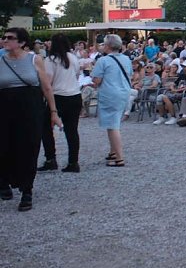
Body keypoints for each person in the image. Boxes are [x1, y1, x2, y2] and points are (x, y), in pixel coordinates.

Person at [0, 28, 62, 211]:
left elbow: (46, 88)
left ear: (21, 43)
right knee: (4, 147)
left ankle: (27, 190)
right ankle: (4, 181)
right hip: (4, 108)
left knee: (29, 147)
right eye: (4, 37)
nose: (5, 40)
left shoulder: (34, 59)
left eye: (10, 38)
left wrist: (53, 111)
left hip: (30, 109)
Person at [39, 34, 83, 173]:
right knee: (72, 130)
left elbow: (48, 82)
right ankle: (73, 161)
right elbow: (77, 75)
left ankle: (50, 158)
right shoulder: (73, 58)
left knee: (46, 128)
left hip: (58, 96)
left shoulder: (51, 60)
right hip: (74, 95)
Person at [91, 34, 133, 168]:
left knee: (112, 126)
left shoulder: (103, 61)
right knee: (115, 122)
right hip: (124, 92)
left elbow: (97, 80)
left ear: (107, 46)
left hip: (110, 94)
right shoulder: (126, 59)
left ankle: (119, 157)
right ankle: (113, 152)